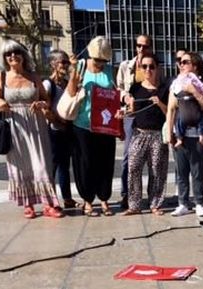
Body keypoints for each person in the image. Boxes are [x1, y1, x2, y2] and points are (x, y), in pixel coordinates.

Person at [0, 39, 63, 219]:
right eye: (8, 54)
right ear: (5, 58)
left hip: (36, 125)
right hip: (14, 125)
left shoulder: (34, 76)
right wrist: (0, 103)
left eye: (16, 52)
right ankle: (27, 204)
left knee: (42, 165)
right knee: (21, 166)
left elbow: (47, 100)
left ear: (23, 55)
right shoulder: (2, 76)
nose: (13, 56)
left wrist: (40, 103)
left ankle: (48, 204)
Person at [66, 36, 117, 217]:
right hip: (82, 125)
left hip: (104, 125)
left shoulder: (110, 71)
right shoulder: (79, 66)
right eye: (97, 60)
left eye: (104, 61)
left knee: (105, 163)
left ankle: (104, 199)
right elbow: (71, 92)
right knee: (85, 163)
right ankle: (88, 201)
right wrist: (73, 73)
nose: (100, 64)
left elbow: (115, 95)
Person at [166, 52, 203, 217]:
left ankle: (199, 203)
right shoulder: (176, 84)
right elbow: (172, 109)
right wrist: (169, 133)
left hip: (198, 135)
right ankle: (182, 203)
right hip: (181, 135)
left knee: (197, 172)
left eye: (185, 62)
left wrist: (194, 91)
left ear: (195, 65)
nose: (181, 64)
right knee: (181, 172)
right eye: (179, 62)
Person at [121, 55, 169, 216]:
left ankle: (155, 203)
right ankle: (134, 204)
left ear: (157, 68)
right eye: (145, 66)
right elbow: (132, 113)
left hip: (157, 135)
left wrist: (159, 103)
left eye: (151, 66)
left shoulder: (164, 89)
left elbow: (170, 112)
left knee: (157, 170)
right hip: (139, 133)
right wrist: (128, 109)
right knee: (133, 167)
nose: (148, 70)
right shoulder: (135, 88)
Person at [117, 35, 154, 210]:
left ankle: (153, 196)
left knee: (152, 159)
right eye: (138, 45)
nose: (141, 49)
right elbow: (118, 89)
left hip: (148, 115)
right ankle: (127, 194)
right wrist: (125, 96)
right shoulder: (126, 66)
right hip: (131, 114)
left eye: (145, 46)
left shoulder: (153, 65)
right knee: (128, 157)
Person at [43, 49, 79, 210]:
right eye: (62, 62)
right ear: (53, 64)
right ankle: (50, 201)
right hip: (54, 131)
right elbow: (46, 110)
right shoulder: (47, 84)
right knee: (52, 167)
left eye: (66, 62)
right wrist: (60, 122)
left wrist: (74, 67)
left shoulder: (65, 84)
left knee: (64, 166)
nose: (65, 65)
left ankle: (67, 198)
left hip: (66, 131)